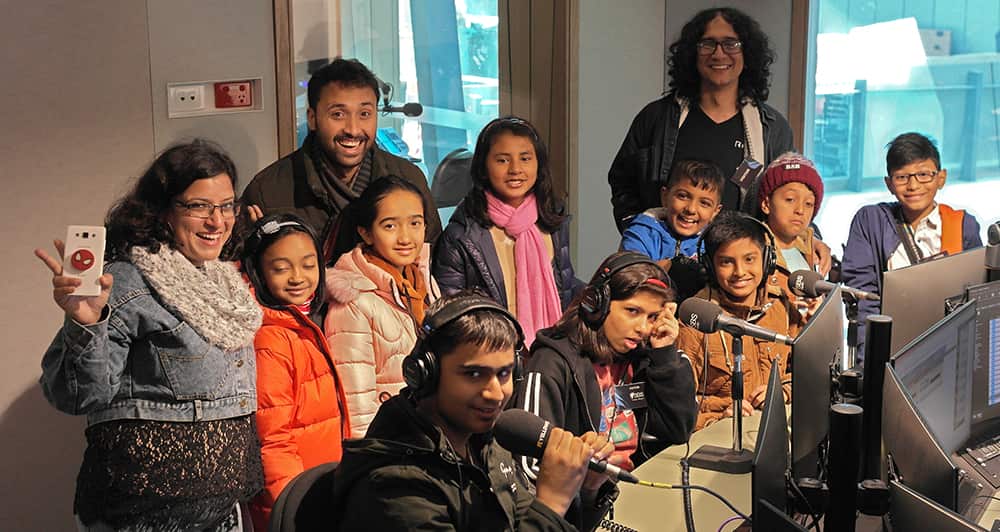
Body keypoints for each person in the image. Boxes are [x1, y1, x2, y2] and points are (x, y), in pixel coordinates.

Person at [35, 140, 264, 531]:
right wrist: (85, 324)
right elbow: (75, 396)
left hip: (222, 515)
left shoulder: (225, 283)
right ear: (163, 210)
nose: (217, 221)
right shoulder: (127, 282)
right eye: (198, 206)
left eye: (226, 205)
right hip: (142, 518)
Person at [331, 293, 615, 531]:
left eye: (504, 373)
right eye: (474, 374)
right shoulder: (396, 486)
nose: (495, 393)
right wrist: (551, 501)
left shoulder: (485, 442)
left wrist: (585, 492)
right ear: (426, 374)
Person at [514, 252, 697, 493]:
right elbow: (530, 466)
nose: (643, 328)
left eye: (652, 317)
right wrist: (591, 490)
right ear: (595, 304)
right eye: (632, 311)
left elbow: (679, 431)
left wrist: (664, 356)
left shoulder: (646, 356)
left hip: (638, 488)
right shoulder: (552, 363)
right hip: (580, 500)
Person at [608, 6, 793, 231]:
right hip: (662, 262)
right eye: (708, 44)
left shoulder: (773, 129)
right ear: (692, 53)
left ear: (748, 54)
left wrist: (809, 238)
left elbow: (789, 195)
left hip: (739, 261)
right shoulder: (656, 118)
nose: (718, 53)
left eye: (730, 44)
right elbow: (622, 182)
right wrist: (641, 236)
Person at [240, 57, 442, 244]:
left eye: (364, 114)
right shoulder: (269, 191)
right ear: (312, 118)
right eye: (338, 114)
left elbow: (431, 261)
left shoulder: (408, 179)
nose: (353, 130)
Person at [240, 213, 349, 530]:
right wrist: (294, 511)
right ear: (258, 273)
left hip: (321, 489)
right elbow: (273, 442)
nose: (298, 277)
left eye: (308, 264)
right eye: (281, 268)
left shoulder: (305, 323)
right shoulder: (271, 338)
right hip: (296, 504)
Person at [434, 116, 582, 347]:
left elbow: (567, 288)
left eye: (525, 159)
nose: (515, 170)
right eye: (502, 160)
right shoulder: (460, 235)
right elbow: (450, 313)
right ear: (483, 166)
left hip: (552, 355)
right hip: (491, 358)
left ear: (538, 164)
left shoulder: (552, 218)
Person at [842, 132, 982, 358]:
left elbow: (976, 297)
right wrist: (867, 363)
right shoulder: (871, 221)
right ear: (889, 183)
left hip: (951, 349)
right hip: (894, 347)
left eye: (924, 174)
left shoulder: (963, 225)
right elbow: (863, 295)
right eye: (902, 177)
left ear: (941, 177)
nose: (913, 185)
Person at [324, 175, 440, 437]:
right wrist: (369, 460)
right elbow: (357, 405)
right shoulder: (353, 300)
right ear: (366, 232)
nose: (405, 237)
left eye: (415, 223)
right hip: (392, 443)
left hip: (428, 435)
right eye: (390, 226)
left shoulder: (424, 282)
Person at [675, 213, 802, 430]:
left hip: (777, 429)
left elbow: (805, 369)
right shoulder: (696, 320)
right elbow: (680, 406)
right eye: (726, 262)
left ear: (767, 259)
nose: (740, 272)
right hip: (723, 435)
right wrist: (721, 414)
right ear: (710, 265)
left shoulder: (782, 306)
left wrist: (784, 390)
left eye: (749, 259)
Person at [757, 152, 825, 318]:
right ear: (766, 204)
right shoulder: (753, 251)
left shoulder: (812, 253)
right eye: (789, 199)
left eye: (809, 203)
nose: (800, 210)